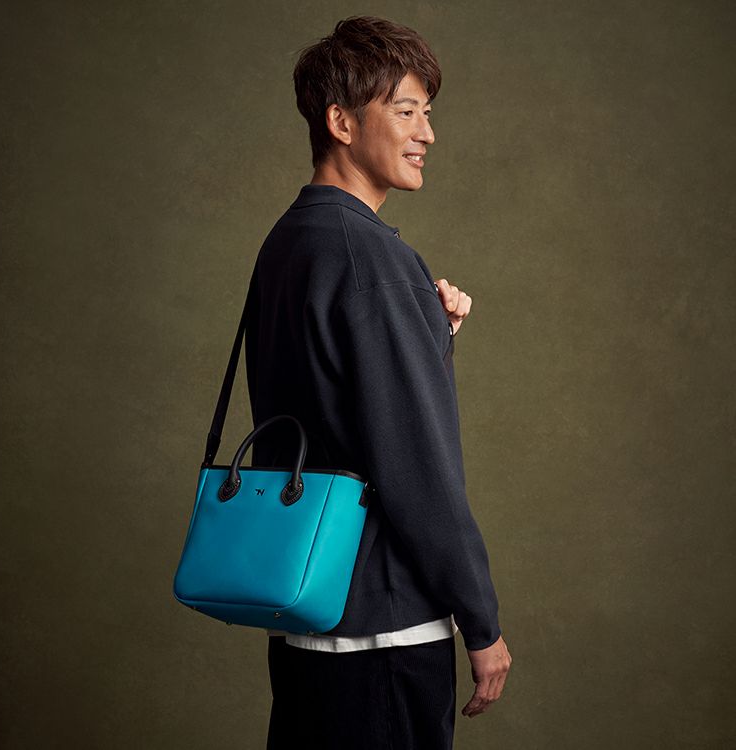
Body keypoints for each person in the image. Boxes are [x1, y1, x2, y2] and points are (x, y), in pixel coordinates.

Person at [243, 15, 512, 750]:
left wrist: (428, 335)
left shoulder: (289, 242)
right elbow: (417, 464)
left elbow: (334, 401)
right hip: (384, 638)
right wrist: (481, 620)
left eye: (428, 112)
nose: (427, 133)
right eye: (405, 111)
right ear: (341, 122)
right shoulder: (373, 259)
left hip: (306, 619)